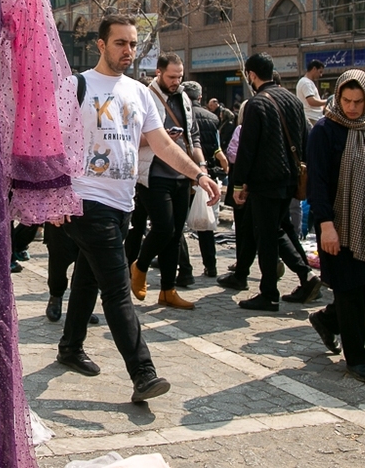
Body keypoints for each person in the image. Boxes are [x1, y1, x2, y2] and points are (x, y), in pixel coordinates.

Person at [54, 15, 220, 403]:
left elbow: (161, 145)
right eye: (119, 43)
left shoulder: (140, 92)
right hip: (84, 200)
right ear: (100, 44)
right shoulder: (75, 86)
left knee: (89, 276)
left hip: (122, 202)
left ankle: (69, 346)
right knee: (116, 288)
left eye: (132, 44)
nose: (127, 51)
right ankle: (143, 372)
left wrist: (199, 175)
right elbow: (52, 144)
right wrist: (52, 195)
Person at [306, 70, 365, 384]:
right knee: (350, 288)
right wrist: (325, 225)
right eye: (347, 100)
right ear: (338, 97)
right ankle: (357, 359)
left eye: (359, 101)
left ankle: (328, 320)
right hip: (336, 221)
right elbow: (316, 183)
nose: (353, 107)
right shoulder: (324, 131)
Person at [225, 53, 319, 311]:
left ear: (252, 75)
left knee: (267, 237)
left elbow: (247, 149)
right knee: (278, 230)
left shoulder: (256, 104)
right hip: (289, 178)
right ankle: (306, 277)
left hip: (265, 182)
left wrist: (238, 183)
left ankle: (269, 293)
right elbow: (303, 138)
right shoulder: (293, 100)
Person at [130, 53, 203, 310]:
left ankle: (168, 290)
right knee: (164, 228)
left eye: (180, 77)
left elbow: (193, 135)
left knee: (175, 235)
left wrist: (200, 168)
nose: (176, 81)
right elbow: (131, 136)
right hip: (152, 174)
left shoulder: (183, 97)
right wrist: (159, 139)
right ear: (158, 72)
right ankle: (139, 265)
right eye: (172, 77)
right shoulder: (142, 95)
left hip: (181, 174)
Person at [182, 80, 228, 278]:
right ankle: (211, 265)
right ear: (200, 97)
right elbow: (217, 149)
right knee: (205, 224)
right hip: (206, 176)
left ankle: (183, 268)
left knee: (176, 224)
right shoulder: (212, 118)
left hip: (184, 175)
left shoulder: (181, 115)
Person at [296, 60, 327, 127]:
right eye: (320, 72)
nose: (320, 75)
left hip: (315, 118)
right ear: (314, 69)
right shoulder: (306, 83)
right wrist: (327, 101)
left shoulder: (308, 82)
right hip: (311, 118)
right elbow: (311, 101)